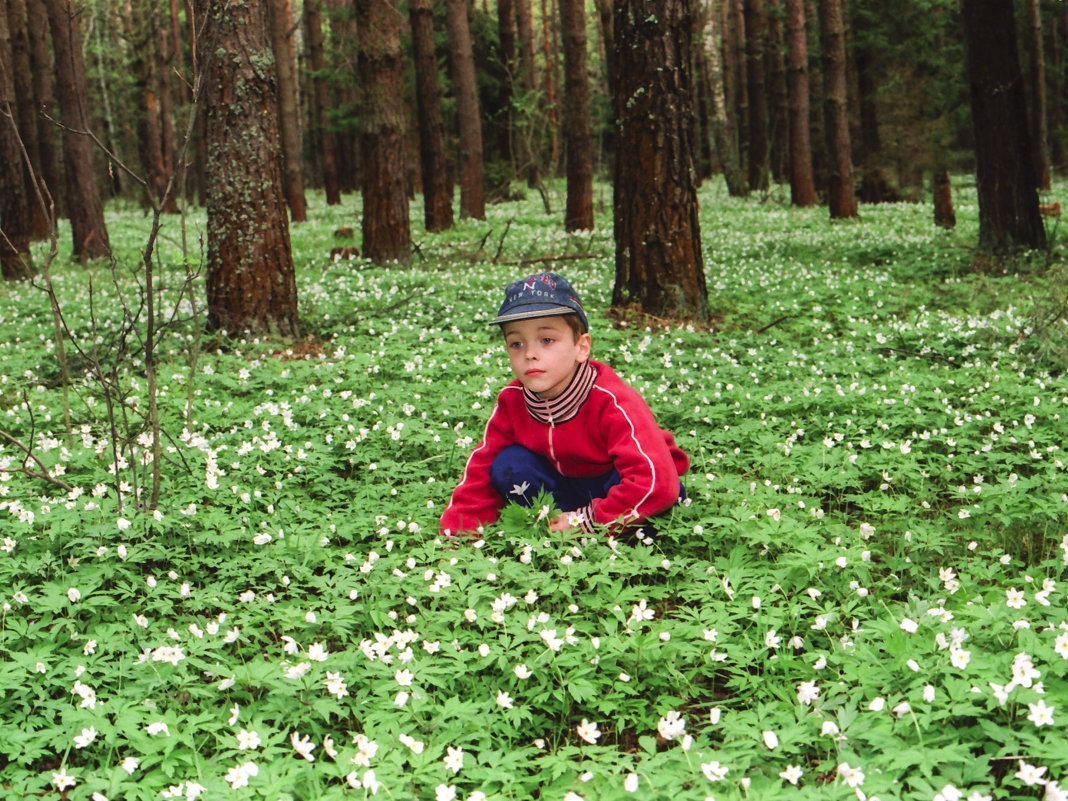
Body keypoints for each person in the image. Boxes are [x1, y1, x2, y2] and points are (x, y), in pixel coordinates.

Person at [439, 272, 688, 539]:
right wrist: (458, 534)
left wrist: (587, 519)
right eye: (516, 343)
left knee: (656, 503)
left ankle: (592, 526)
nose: (529, 354)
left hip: (617, 485)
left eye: (547, 340)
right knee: (505, 465)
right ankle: (558, 524)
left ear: (582, 347)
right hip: (562, 487)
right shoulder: (512, 400)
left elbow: (656, 482)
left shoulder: (612, 400)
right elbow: (480, 473)